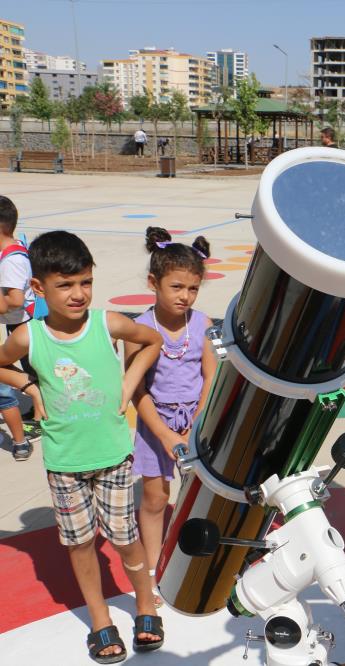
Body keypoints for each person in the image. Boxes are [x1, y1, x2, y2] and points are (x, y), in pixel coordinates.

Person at [0, 230, 166, 663]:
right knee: (80, 545)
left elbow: (152, 342)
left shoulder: (106, 323)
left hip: (112, 456)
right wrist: (28, 386)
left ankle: (145, 602)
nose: (78, 294)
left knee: (126, 540)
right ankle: (100, 619)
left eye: (86, 282)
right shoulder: (28, 337)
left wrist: (128, 384)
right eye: (65, 285)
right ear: (38, 288)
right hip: (64, 462)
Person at [125, 227, 216, 609]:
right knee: (155, 496)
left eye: (192, 289)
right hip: (154, 425)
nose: (185, 296)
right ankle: (151, 569)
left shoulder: (202, 323)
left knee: (202, 493)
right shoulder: (139, 329)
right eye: (177, 287)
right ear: (153, 282)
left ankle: (198, 559)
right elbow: (137, 389)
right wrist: (162, 433)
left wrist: (198, 419)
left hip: (196, 422)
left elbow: (211, 374)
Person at [0, 195, 42, 461]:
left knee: (30, 368)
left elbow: (13, 300)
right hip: (17, 322)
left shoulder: (11, 260)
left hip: (23, 323)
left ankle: (40, 417)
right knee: (27, 367)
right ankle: (38, 405)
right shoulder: (9, 252)